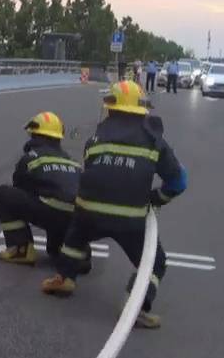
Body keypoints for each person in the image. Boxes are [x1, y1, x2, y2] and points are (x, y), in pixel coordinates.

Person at [41, 80, 187, 329]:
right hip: (129, 218)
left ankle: (64, 276)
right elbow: (178, 181)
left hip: (88, 211)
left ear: (111, 108)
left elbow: (95, 173)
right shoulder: (154, 141)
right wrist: (156, 199)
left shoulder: (95, 138)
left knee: (76, 236)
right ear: (142, 109)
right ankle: (136, 304)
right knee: (155, 262)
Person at [0, 112, 84, 271]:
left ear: (34, 135)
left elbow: (19, 187)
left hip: (49, 212)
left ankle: (21, 249)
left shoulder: (31, 158)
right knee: (55, 251)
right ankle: (78, 254)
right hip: (75, 219)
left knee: (3, 194)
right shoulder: (72, 161)